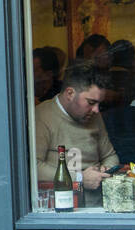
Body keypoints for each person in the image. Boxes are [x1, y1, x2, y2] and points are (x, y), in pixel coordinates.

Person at [33, 62, 118, 204]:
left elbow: (110, 155)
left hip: (99, 205)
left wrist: (106, 170)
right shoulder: (42, 116)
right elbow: (33, 167)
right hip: (61, 205)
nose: (97, 110)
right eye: (91, 102)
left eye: (99, 104)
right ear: (70, 93)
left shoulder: (94, 116)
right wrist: (79, 178)